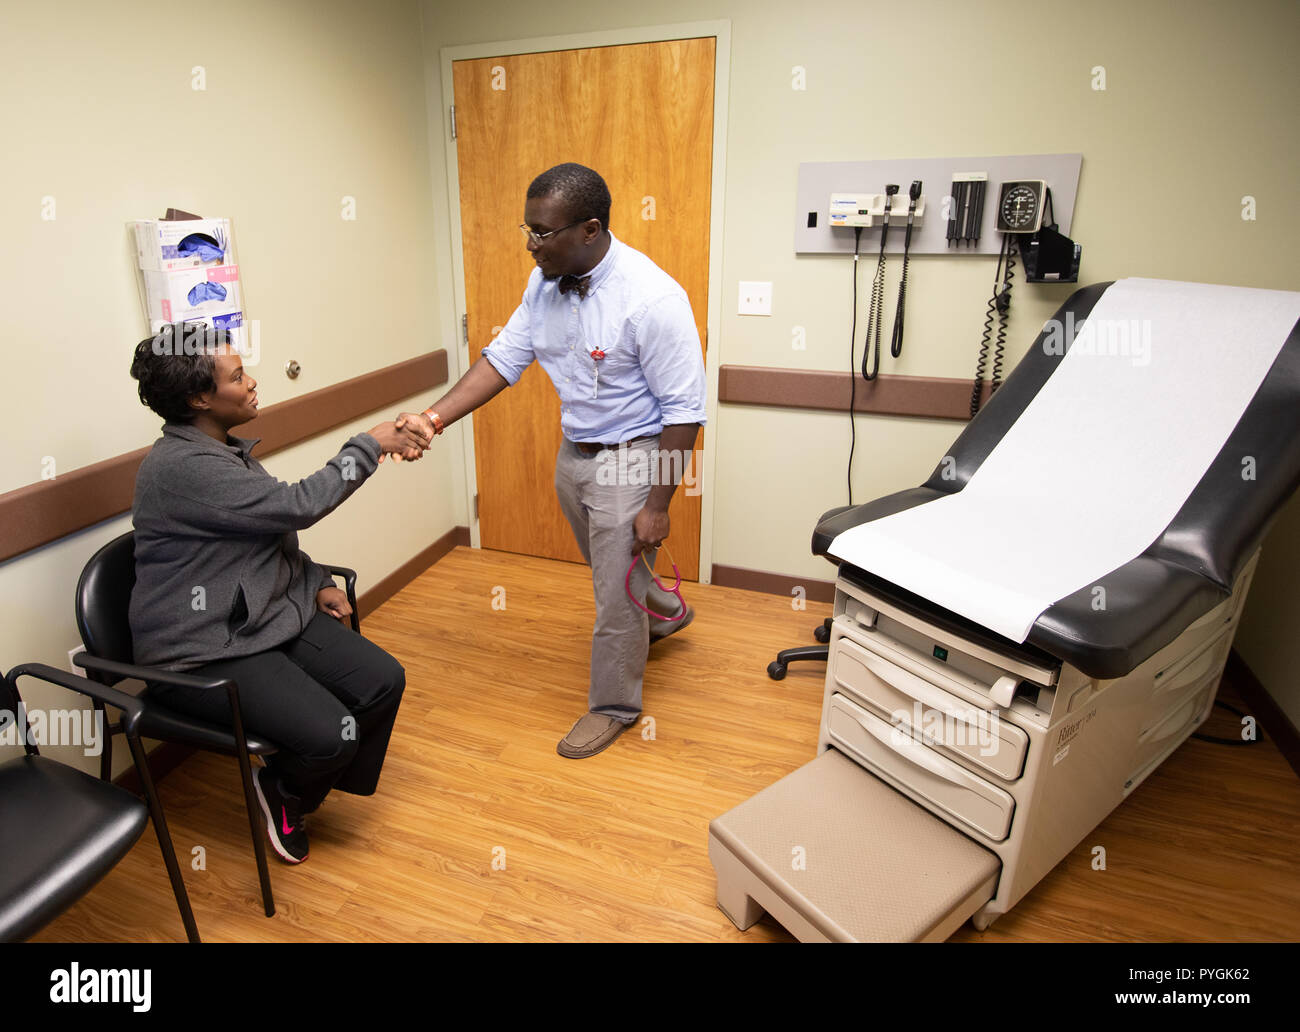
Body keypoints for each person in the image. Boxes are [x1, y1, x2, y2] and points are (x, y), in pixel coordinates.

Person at [397, 163, 707, 759]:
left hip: (632, 457)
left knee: (613, 597)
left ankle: (613, 706)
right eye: (528, 229)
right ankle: (664, 613)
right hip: (575, 452)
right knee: (611, 569)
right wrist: (432, 419)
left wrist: (658, 505)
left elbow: (684, 412)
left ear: (590, 229)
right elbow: (502, 359)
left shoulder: (653, 299)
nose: (531, 245)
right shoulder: (544, 284)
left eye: (542, 233)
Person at [127, 323, 432, 863]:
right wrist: (370, 444)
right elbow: (297, 507)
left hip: (256, 622)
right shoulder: (183, 468)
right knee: (332, 735)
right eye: (237, 377)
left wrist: (314, 583)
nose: (251, 383)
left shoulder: (221, 450)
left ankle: (302, 780)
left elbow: (265, 533)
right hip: (200, 650)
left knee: (382, 681)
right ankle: (287, 790)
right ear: (199, 399)